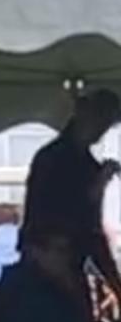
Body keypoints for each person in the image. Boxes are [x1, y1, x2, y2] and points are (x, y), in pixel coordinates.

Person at [20, 88, 121, 306]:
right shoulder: (54, 160)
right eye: (101, 119)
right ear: (83, 112)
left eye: (107, 123)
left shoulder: (85, 166)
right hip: (45, 265)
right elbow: (69, 219)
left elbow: (92, 231)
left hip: (62, 266)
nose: (102, 130)